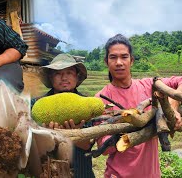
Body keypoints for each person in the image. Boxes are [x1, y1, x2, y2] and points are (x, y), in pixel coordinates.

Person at [95, 34, 182, 178]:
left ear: (132, 61)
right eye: (113, 57)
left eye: (124, 57)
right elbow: (103, 149)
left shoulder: (148, 85)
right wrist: (129, 128)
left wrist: (172, 109)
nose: (119, 62)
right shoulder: (100, 99)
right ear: (106, 61)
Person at [31, 54, 95, 178]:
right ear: (50, 77)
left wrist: (74, 134)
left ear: (77, 77)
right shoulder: (35, 104)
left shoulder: (87, 104)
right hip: (47, 171)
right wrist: (47, 135)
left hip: (81, 172)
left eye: (69, 73)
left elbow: (88, 145)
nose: (64, 77)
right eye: (58, 73)